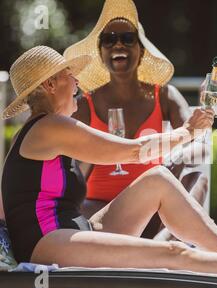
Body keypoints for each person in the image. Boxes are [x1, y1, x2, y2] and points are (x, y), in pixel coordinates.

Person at [0, 46, 217, 285]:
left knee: (158, 181)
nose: (77, 83)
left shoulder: (40, 131)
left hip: (75, 230)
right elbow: (133, 151)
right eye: (69, 77)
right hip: (50, 241)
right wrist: (188, 132)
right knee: (173, 252)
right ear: (49, 84)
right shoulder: (50, 126)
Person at [64, 0, 209, 239]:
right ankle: (165, 248)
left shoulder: (164, 95)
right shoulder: (83, 104)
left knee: (197, 178)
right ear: (101, 53)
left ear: (141, 51)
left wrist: (180, 152)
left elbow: (198, 138)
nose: (118, 44)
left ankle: (165, 243)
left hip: (153, 208)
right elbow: (65, 163)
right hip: (101, 210)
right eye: (109, 40)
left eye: (127, 38)